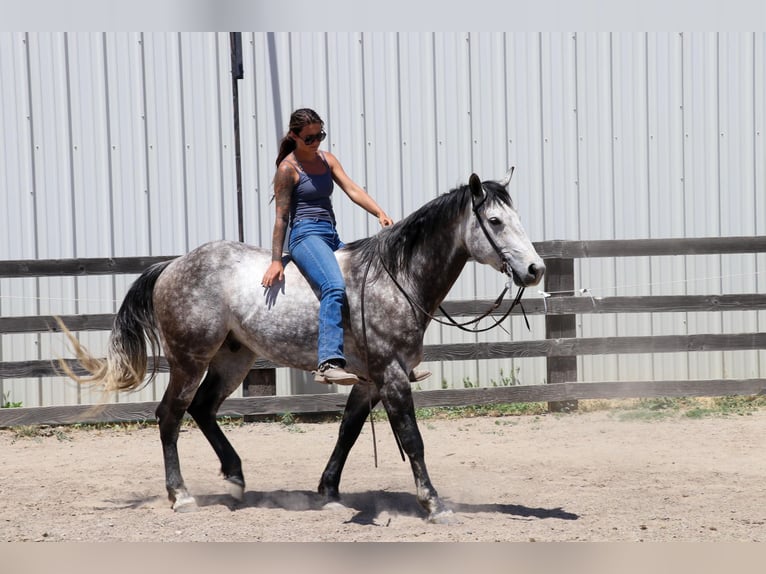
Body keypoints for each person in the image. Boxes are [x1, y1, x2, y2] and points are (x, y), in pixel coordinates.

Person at [261, 108, 393, 385]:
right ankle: (328, 362)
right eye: (309, 138)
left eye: (319, 135)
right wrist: (276, 260)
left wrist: (379, 212)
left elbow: (352, 188)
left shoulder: (326, 159)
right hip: (305, 237)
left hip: (330, 234)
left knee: (367, 285)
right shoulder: (287, 169)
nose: (316, 141)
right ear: (294, 136)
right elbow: (282, 217)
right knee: (334, 287)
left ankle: (383, 360)